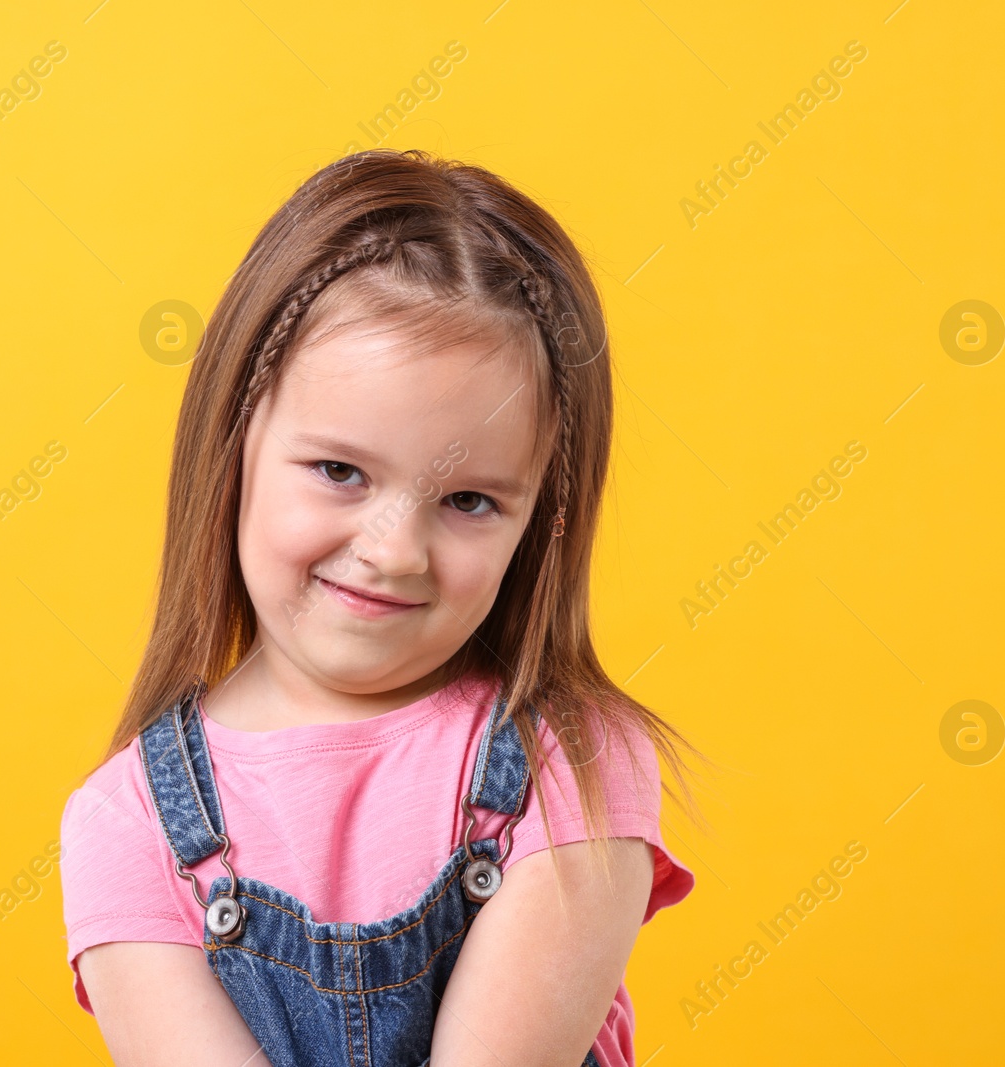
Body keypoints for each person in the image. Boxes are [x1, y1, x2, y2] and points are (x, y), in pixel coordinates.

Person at [59, 148, 707, 1066]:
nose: (394, 550)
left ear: (544, 519)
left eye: (470, 500)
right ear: (235, 439)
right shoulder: (127, 823)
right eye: (339, 472)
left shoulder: (575, 763)